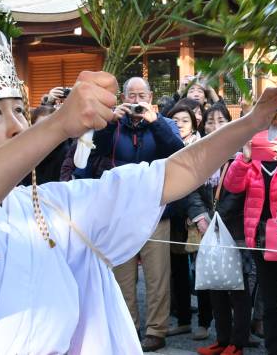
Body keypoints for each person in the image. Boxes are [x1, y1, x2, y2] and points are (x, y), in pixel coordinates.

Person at [0, 50, 277, 353]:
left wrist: (253, 121)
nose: (18, 127)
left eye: (20, 111)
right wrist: (60, 125)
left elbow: (172, 175)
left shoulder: (46, 206)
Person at [83, 76, 184, 352]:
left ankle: (156, 329)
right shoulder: (112, 125)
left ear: (150, 98)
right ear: (123, 98)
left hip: (155, 208)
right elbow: (92, 156)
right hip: (119, 210)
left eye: (142, 96)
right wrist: (109, 123)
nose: (137, 102)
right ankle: (127, 324)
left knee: (157, 274)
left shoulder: (164, 124)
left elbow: (179, 154)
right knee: (122, 272)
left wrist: (156, 122)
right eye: (131, 96)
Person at [223, 128, 277, 355]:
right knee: (270, 301)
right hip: (261, 240)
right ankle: (276, 349)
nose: (266, 140)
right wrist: (244, 157)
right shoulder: (249, 162)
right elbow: (232, 186)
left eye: (273, 135)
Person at [196, 105, 252, 355]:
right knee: (214, 284)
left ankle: (237, 342)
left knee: (237, 286)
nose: (215, 125)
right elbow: (190, 191)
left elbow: (239, 193)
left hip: (235, 229)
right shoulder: (198, 155)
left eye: (222, 120)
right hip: (207, 227)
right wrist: (200, 217)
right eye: (210, 121)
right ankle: (222, 338)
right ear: (203, 125)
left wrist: (215, 217)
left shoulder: (240, 154)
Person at [167, 101, 213, 340]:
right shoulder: (166, 146)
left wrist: (198, 213)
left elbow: (196, 186)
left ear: (195, 124)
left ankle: (204, 321)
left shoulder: (201, 147)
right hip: (173, 216)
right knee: (177, 271)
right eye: (175, 121)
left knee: (201, 269)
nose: (181, 125)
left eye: (185, 121)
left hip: (197, 216)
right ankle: (183, 319)